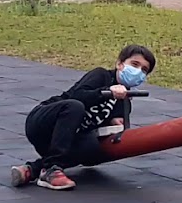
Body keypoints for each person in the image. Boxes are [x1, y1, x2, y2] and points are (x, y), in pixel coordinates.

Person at [10, 44, 157, 191]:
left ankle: (33, 170)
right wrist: (106, 91)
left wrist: (114, 125)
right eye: (134, 64)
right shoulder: (101, 76)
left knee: (91, 147)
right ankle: (50, 169)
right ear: (119, 64)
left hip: (61, 139)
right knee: (75, 107)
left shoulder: (123, 104)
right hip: (43, 122)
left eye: (144, 70)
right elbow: (78, 95)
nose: (138, 71)